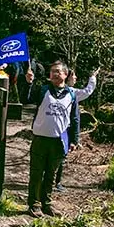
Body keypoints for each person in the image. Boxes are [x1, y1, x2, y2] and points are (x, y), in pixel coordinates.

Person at [24, 60, 81, 217]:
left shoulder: (71, 94)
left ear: (65, 74)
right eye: (52, 71)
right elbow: (27, 99)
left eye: (58, 71)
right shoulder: (43, 90)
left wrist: (75, 140)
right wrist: (28, 83)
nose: (55, 74)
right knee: (36, 173)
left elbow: (75, 118)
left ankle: (46, 203)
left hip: (59, 140)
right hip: (40, 138)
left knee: (51, 174)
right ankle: (34, 204)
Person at [53, 67, 99, 192]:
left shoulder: (55, 90)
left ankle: (53, 181)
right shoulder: (71, 92)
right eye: (73, 76)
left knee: (57, 155)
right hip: (64, 129)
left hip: (56, 128)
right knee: (61, 156)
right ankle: (56, 182)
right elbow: (87, 91)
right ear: (67, 78)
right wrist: (92, 78)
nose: (75, 78)